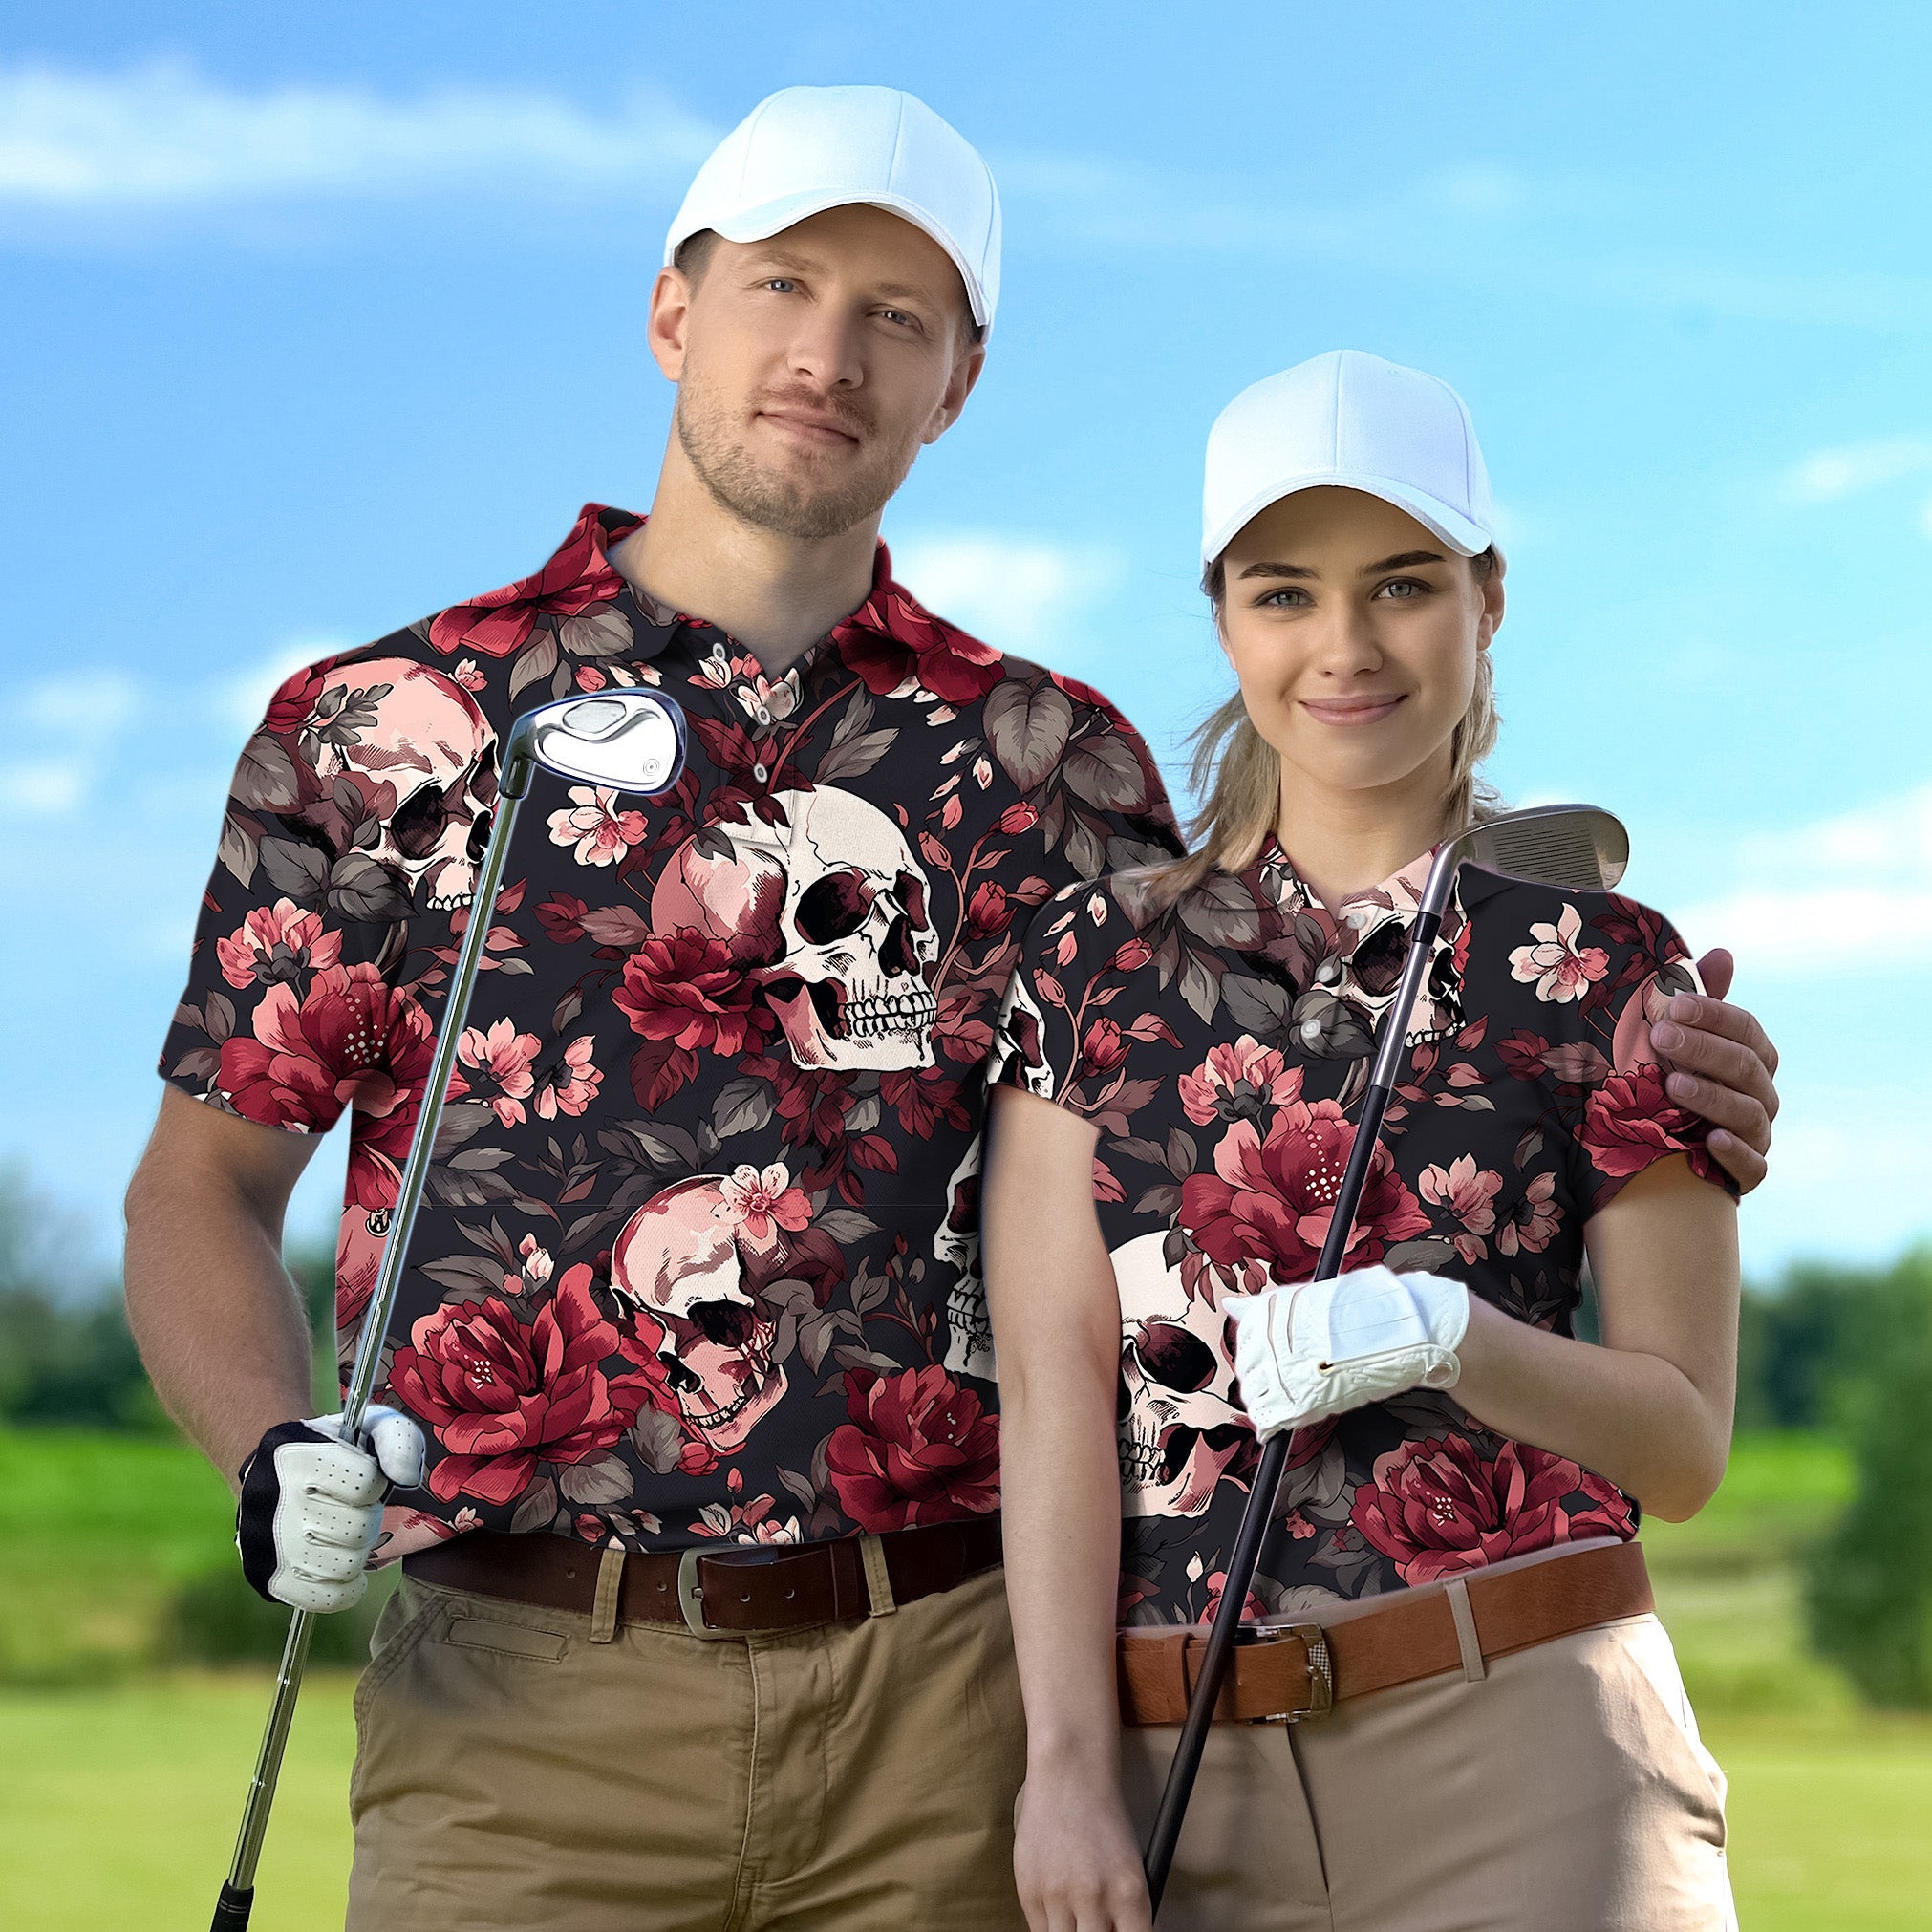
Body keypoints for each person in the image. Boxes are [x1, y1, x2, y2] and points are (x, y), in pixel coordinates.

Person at [118, 80, 1778, 1928]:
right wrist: (270, 1451)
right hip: (517, 1707)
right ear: (674, 309)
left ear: (959, 379)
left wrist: (1638, 1041)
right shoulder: (389, 725)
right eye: (781, 287)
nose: (827, 353)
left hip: (948, 1698)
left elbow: (1282, 1034)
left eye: (894, 316)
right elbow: (200, 1187)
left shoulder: (1049, 763)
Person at [985, 351, 1748, 1931]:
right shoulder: (1087, 966)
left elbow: (1678, 1448)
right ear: (1221, 619)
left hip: (1531, 1740)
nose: (1342, 647)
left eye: (1400, 584)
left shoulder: (1604, 964)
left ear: (1485, 600)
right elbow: (1055, 1387)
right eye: (1283, 594)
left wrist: (1442, 1334)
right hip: (1181, 1774)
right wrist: (1061, 1764)